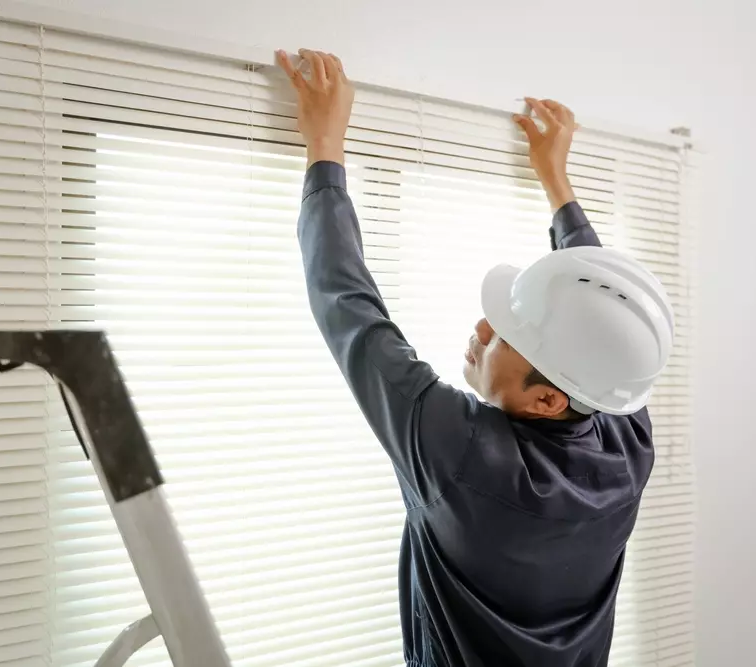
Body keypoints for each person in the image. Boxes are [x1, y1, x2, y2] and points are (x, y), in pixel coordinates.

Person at [277, 48, 674, 667]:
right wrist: (557, 183)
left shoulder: (460, 451)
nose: (483, 327)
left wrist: (324, 144)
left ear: (546, 399)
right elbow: (605, 313)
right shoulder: (628, 441)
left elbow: (349, 309)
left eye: (505, 337)